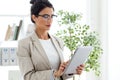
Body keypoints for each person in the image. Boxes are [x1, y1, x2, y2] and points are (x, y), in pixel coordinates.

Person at [17, 0, 84, 80]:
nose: (50, 20)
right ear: (34, 17)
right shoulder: (24, 44)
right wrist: (54, 73)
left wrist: (71, 71)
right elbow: (28, 76)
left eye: (52, 16)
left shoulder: (58, 41)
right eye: (45, 16)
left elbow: (60, 75)